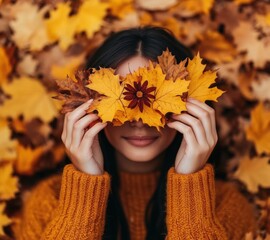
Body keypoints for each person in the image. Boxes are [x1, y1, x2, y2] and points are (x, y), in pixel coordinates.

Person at [15, 26, 257, 240]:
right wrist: (84, 192)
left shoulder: (227, 207)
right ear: (87, 106)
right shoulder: (49, 203)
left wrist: (190, 189)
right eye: (121, 100)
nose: (140, 121)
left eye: (157, 101)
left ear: (192, 106)